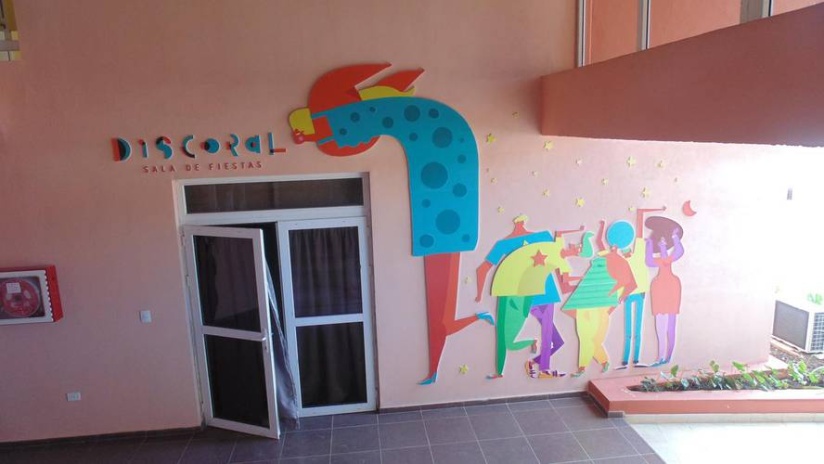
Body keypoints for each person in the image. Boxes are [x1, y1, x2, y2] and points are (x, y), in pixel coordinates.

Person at [476, 215, 581, 378]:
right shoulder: (541, 237)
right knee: (548, 335)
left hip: (525, 294)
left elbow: (482, 269)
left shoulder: (505, 244)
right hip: (530, 295)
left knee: (554, 339)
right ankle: (542, 368)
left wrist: (479, 294)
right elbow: (558, 258)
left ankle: (534, 364)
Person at [645, 216, 684, 366]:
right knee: (661, 326)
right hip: (660, 292)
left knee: (670, 326)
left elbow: (679, 251)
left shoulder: (668, 261)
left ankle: (668, 356)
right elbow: (649, 261)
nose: (662, 245)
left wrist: (675, 237)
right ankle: (661, 357)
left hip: (670, 291)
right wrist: (649, 245)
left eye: (664, 243)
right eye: (660, 243)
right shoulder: (660, 262)